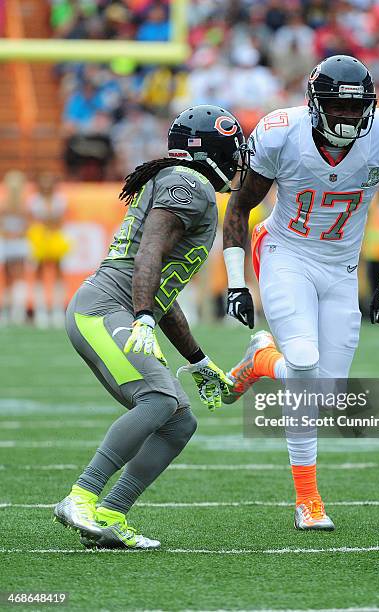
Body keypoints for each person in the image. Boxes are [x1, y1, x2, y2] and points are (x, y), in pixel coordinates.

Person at [222, 56, 379, 530]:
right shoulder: (280, 134)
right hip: (285, 254)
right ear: (315, 105)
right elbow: (240, 206)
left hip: (341, 268)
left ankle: (261, 360)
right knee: (306, 363)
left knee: (326, 394)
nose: (349, 119)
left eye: (357, 110)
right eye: (338, 107)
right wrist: (236, 282)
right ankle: (308, 500)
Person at [53, 104, 249, 549]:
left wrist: (198, 360)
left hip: (113, 309)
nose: (238, 162)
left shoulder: (183, 182)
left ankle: (110, 514)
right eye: (233, 151)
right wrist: (142, 315)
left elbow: (163, 288)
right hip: (105, 309)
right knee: (158, 398)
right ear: (214, 151)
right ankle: (81, 495)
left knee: (179, 422)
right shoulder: (190, 183)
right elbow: (151, 253)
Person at [27, 173, 70, 328]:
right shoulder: (34, 201)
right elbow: (34, 220)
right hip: (39, 238)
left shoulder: (59, 200)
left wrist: (48, 221)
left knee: (58, 271)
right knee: (38, 271)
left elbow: (59, 220)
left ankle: (58, 309)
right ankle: (41, 310)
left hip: (55, 237)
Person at [0, 171, 29, 326]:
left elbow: (27, 224)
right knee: (11, 276)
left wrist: (12, 234)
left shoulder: (21, 204)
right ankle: (12, 310)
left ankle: (15, 311)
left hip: (14, 242)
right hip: (10, 241)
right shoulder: (7, 204)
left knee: (14, 276)